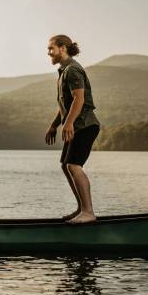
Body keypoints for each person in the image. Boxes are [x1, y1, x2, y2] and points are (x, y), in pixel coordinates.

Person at [45, 35, 100, 224]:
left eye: (51, 48)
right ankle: (81, 209)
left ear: (62, 48)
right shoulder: (64, 72)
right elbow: (66, 106)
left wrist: (68, 123)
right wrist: (54, 125)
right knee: (66, 165)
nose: (48, 52)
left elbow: (79, 99)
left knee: (74, 165)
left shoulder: (73, 70)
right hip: (77, 126)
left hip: (85, 125)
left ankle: (88, 212)